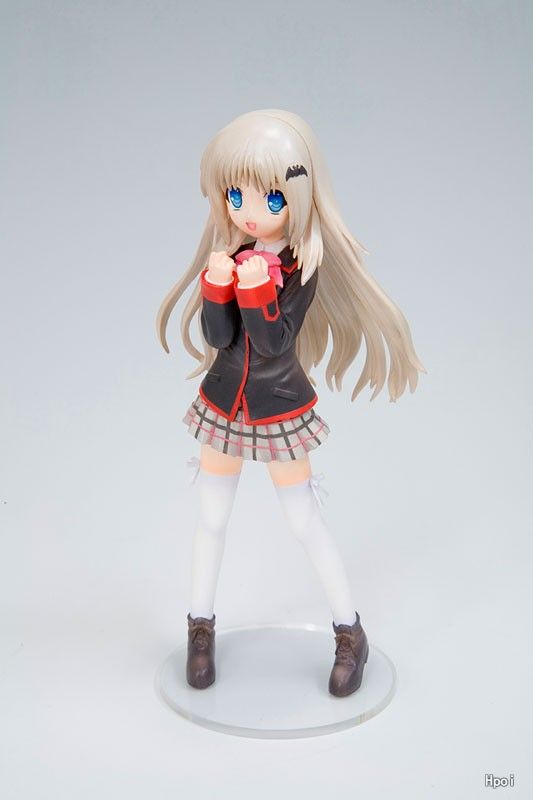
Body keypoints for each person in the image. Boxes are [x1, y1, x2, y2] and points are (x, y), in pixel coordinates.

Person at [156, 109, 425, 697]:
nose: (249, 212)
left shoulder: (303, 266)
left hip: (278, 406)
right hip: (225, 403)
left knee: (303, 519)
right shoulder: (237, 252)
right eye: (236, 196)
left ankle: (350, 632)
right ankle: (200, 627)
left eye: (270, 198)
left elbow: (275, 340)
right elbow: (220, 338)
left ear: (298, 197)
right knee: (212, 516)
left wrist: (255, 286)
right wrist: (217, 285)